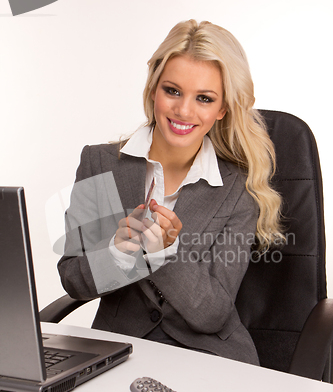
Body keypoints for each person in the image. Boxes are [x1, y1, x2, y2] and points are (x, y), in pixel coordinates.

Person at [58, 19, 284, 365]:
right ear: (153, 90)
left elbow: (212, 313)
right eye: (172, 91)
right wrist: (118, 253)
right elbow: (74, 279)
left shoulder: (239, 188)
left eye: (204, 98)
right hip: (120, 352)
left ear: (222, 109)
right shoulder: (100, 163)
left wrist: (164, 253)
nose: (183, 111)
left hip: (210, 357)